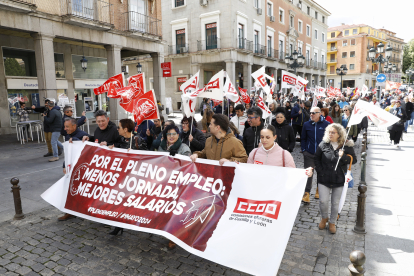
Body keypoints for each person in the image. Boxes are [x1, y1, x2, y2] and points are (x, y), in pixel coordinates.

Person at [104, 118, 148, 235]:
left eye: (119, 127)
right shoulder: (122, 139)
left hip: (136, 178)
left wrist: (135, 154)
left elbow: (148, 157)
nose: (117, 129)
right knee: (120, 201)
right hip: (124, 178)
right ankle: (119, 225)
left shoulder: (138, 139)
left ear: (125, 129)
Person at [314, 123, 357, 234]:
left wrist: (344, 157)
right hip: (324, 178)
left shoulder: (346, 145)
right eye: (329, 132)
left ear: (339, 134)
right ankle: (324, 218)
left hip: (339, 179)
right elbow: (316, 159)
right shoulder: (323, 144)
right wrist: (320, 171)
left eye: (333, 132)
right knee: (323, 201)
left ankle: (332, 222)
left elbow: (354, 160)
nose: (330, 134)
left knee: (335, 203)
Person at [58, 118, 90, 222]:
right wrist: (64, 165)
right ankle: (69, 212)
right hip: (70, 168)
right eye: (65, 126)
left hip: (82, 169)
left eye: (67, 127)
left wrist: (75, 141)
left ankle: (84, 211)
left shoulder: (83, 135)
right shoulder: (67, 135)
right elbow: (67, 152)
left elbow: (88, 150)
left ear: (74, 126)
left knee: (83, 190)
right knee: (69, 190)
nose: (65, 129)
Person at [301, 107, 330, 203]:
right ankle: (306, 193)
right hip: (309, 153)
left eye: (314, 113)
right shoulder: (306, 124)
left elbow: (329, 139)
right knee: (308, 174)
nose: (311, 115)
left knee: (321, 173)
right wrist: (304, 150)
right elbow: (303, 138)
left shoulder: (326, 124)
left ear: (319, 114)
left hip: (322, 154)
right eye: (310, 113)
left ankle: (318, 190)